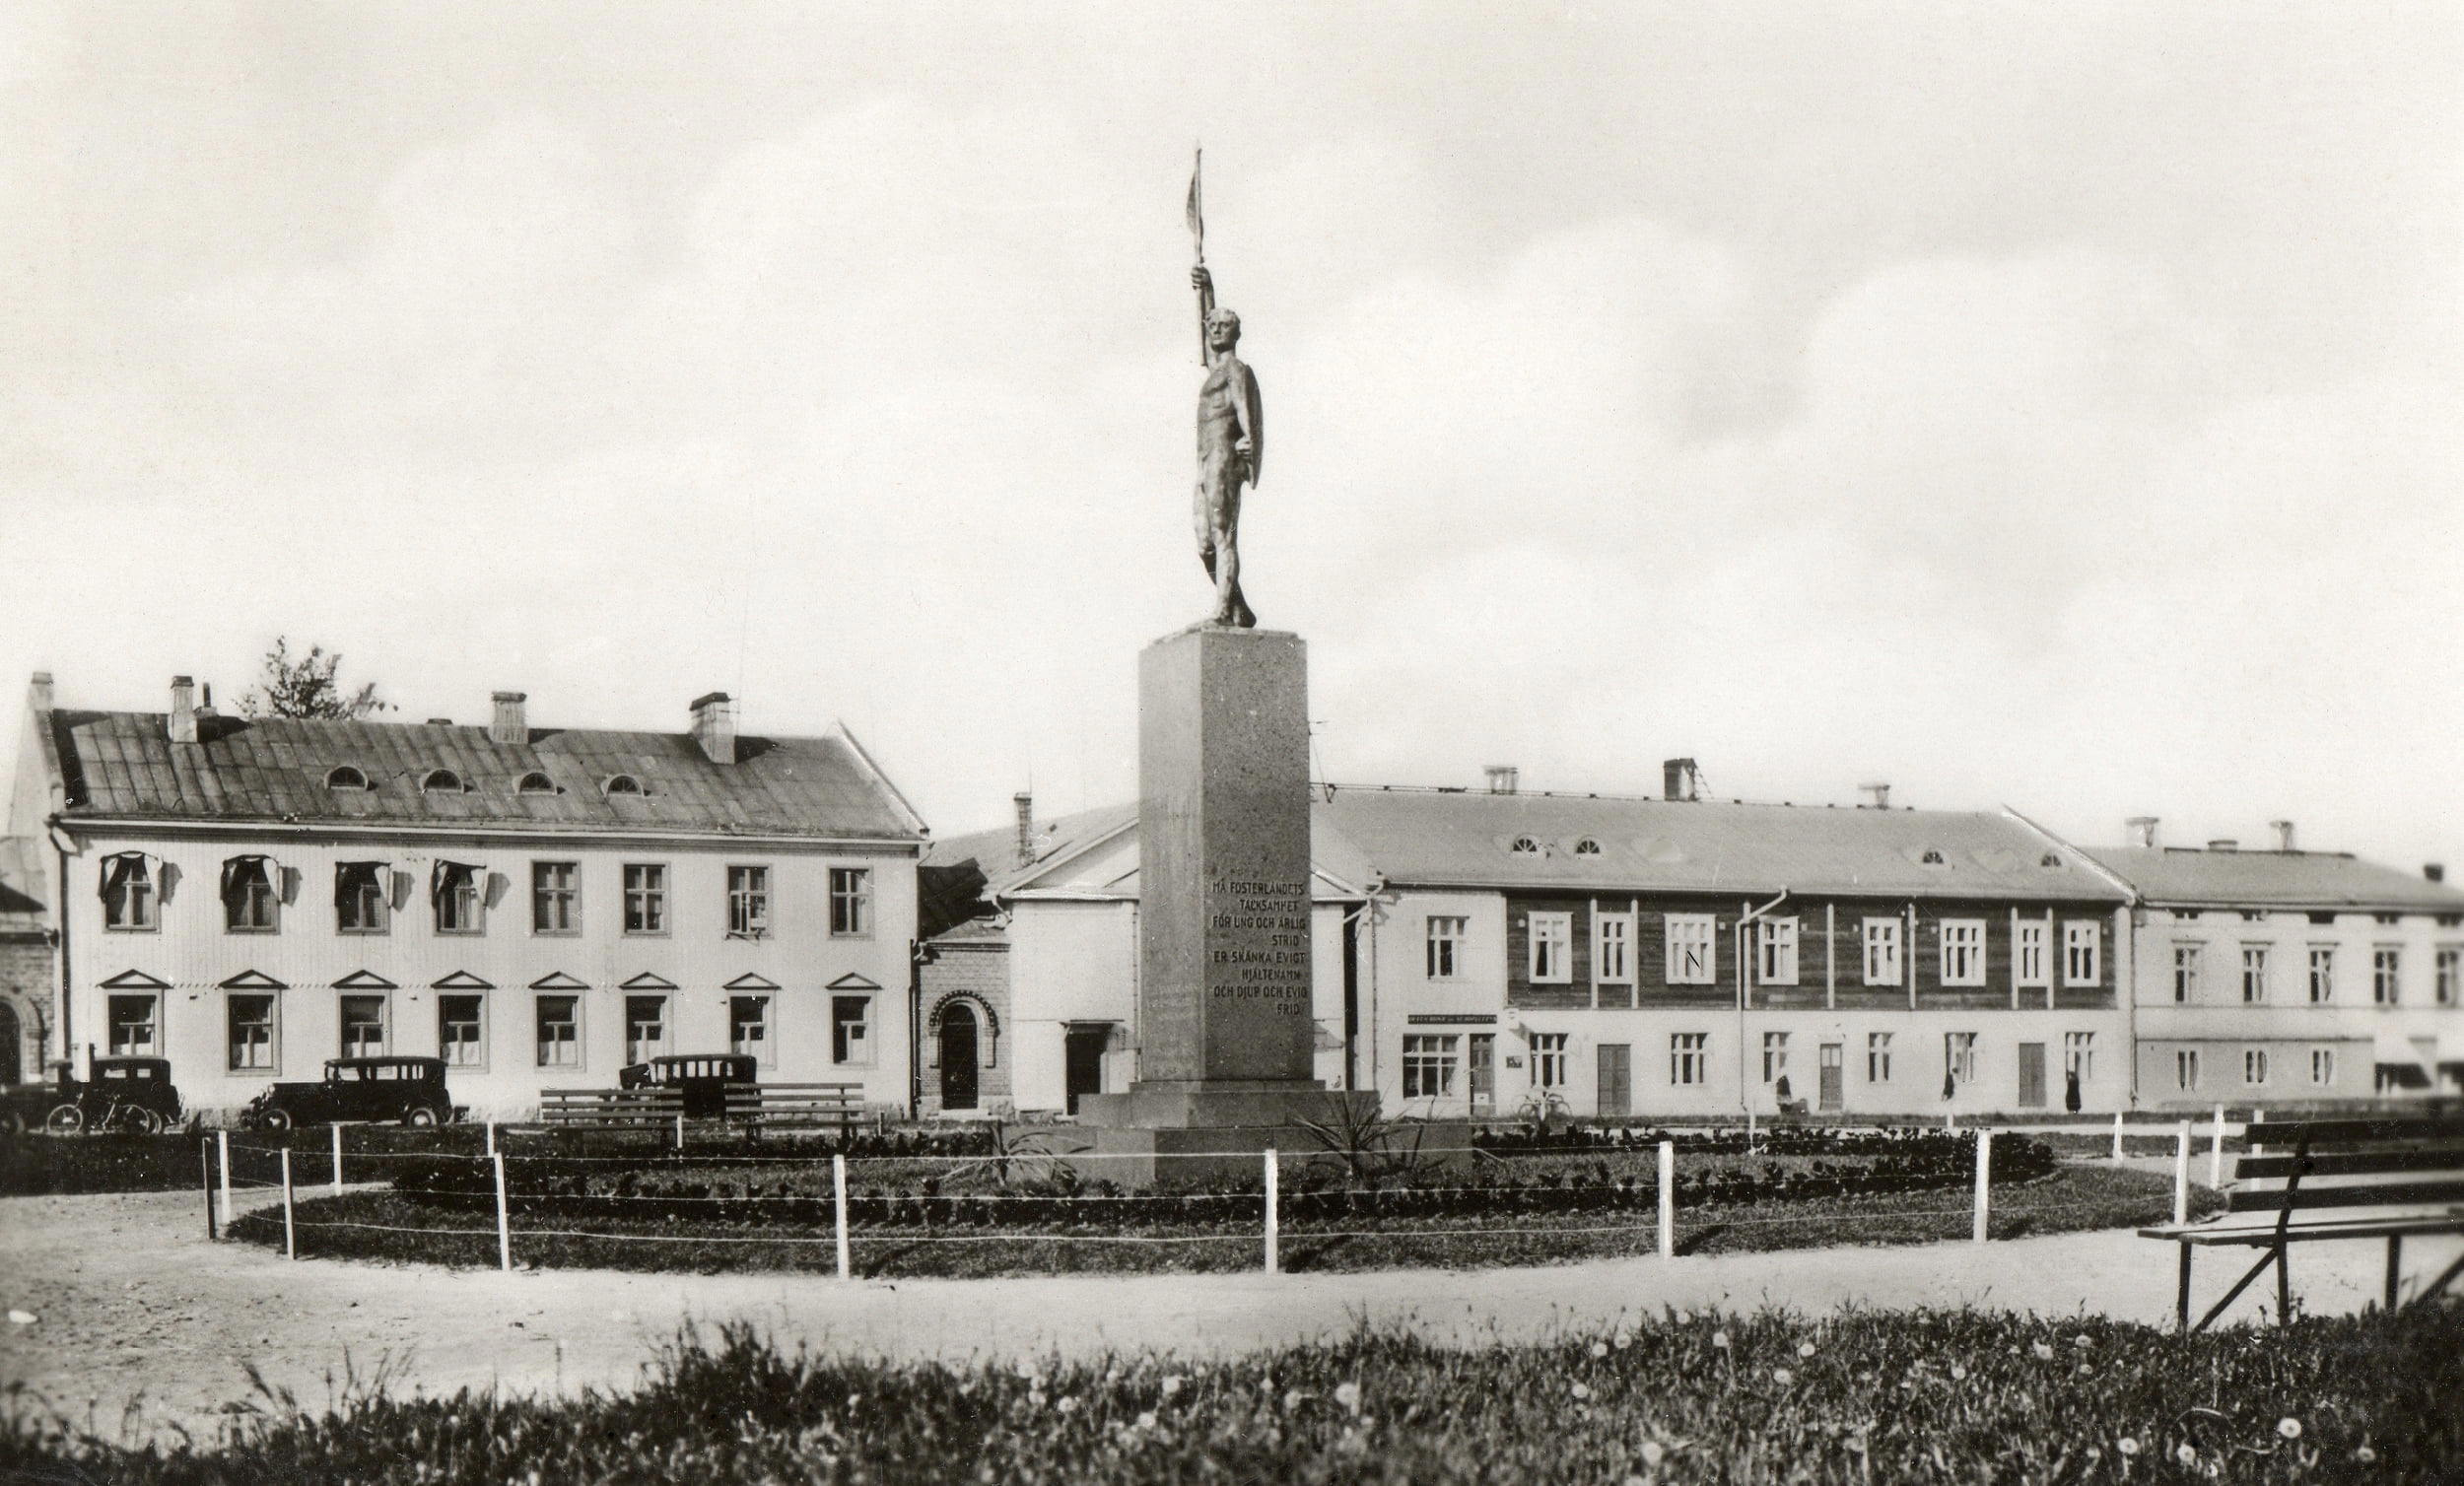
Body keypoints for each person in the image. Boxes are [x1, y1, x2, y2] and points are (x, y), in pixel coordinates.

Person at [1190, 264, 1264, 628]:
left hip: (1224, 457)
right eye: (1213, 325)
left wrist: (1248, 443)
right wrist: (1207, 289)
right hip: (1204, 462)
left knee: (1222, 536)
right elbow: (1204, 330)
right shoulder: (1214, 368)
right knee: (1204, 545)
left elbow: (1245, 409)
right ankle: (1239, 605)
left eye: (1224, 325)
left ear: (1236, 333)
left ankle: (1222, 610)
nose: (1216, 329)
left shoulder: (1236, 370)